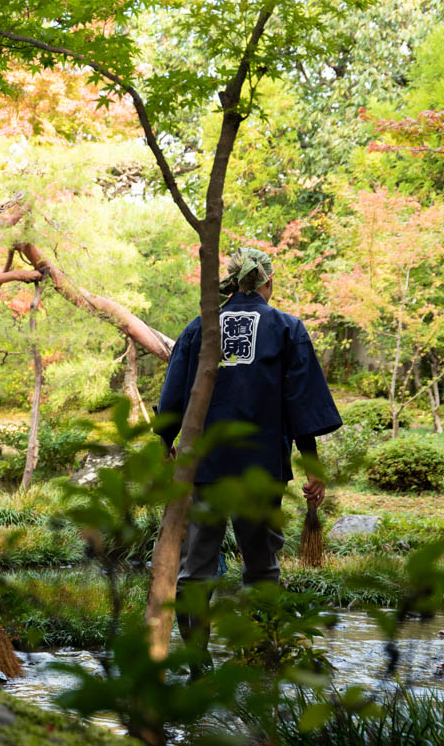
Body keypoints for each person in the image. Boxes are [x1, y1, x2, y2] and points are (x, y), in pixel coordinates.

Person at [156, 247, 341, 651]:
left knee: (197, 567)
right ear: (267, 281)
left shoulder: (199, 328)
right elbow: (301, 405)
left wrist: (166, 445)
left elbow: (174, 395)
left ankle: (195, 660)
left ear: (233, 282)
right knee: (261, 566)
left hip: (204, 467)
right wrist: (313, 469)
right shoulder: (287, 328)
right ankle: (262, 653)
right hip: (262, 467)